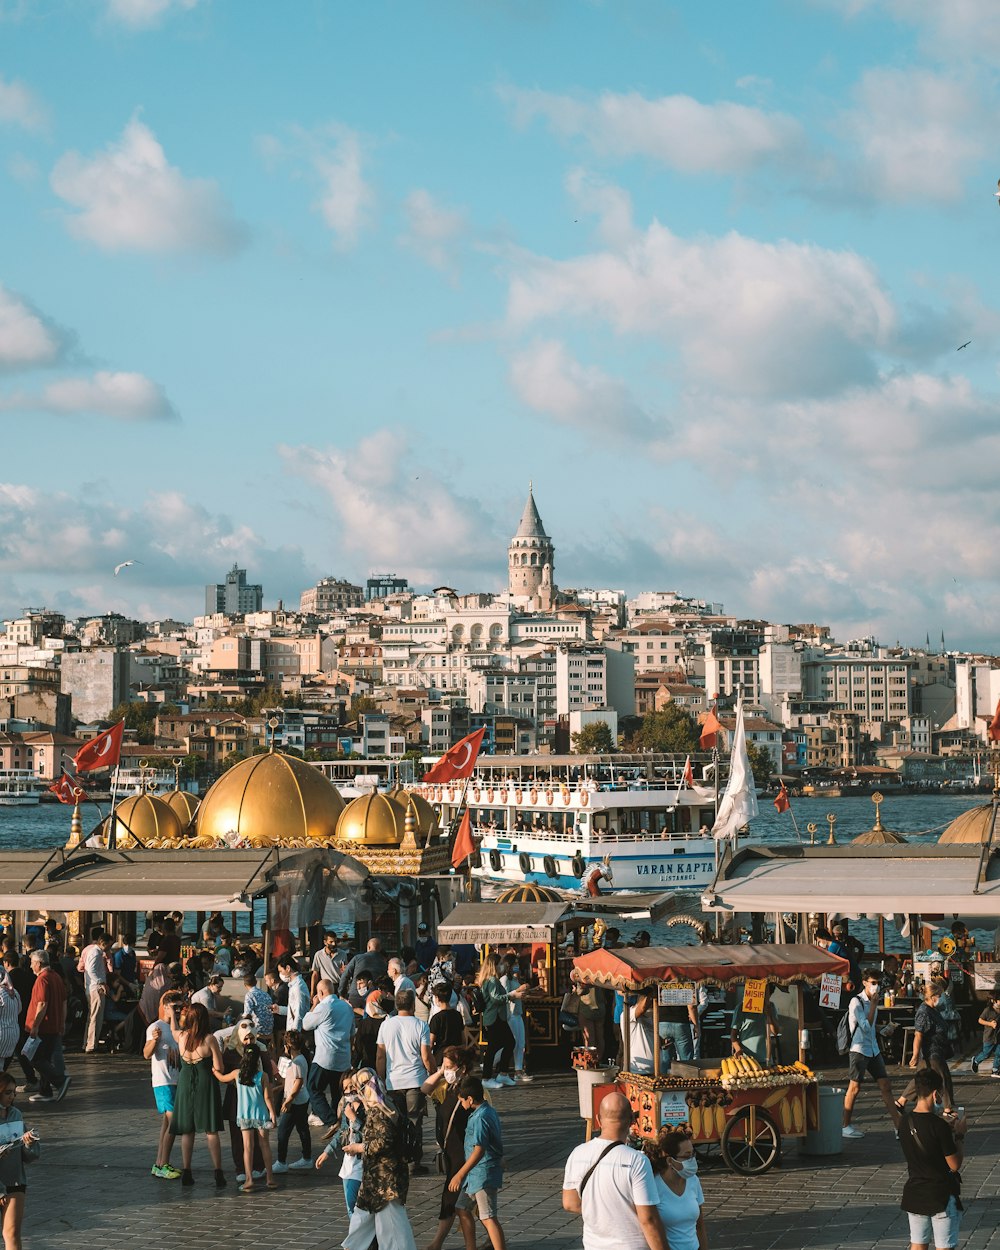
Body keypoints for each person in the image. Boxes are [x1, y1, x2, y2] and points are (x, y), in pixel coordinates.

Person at [563, 1090, 668, 1250]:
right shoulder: (637, 1161)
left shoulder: (578, 1153)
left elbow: (570, 1203)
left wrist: (602, 1214)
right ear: (632, 1120)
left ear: (598, 1120)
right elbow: (648, 1219)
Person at [341, 1067, 418, 1250]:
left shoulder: (379, 1111)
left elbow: (383, 1142)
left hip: (385, 1182)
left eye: (358, 1087)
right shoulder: (386, 1104)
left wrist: (359, 1147)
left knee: (393, 1231)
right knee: (362, 1221)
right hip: (375, 1181)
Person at [421, 1045, 482, 1250]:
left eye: (449, 1066)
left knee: (457, 1202)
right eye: (444, 1066)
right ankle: (439, 1243)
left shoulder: (472, 1090)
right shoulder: (446, 1088)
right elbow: (424, 1089)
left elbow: (484, 1117)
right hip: (451, 1154)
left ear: (462, 1068)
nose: (446, 1070)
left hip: (465, 1155)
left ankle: (438, 1243)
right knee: (466, 1203)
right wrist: (440, 1072)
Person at [898, 1067, 966, 1250]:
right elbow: (954, 1165)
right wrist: (959, 1136)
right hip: (940, 1195)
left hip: (916, 1193)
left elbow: (925, 1141)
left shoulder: (904, 1122)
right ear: (935, 1093)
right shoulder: (939, 1126)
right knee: (945, 1246)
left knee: (918, 1245)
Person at [215, 1025, 278, 1192]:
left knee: (247, 1147)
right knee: (264, 1145)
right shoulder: (262, 1076)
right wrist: (272, 1114)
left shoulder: (237, 1074)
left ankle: (249, 1179)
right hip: (261, 1115)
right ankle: (270, 1178)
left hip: (244, 1116)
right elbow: (268, 1097)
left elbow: (222, 1077)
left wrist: (214, 1071)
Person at [447, 1075, 506, 1250]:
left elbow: (479, 1150)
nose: (461, 1103)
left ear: (470, 1099)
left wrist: (459, 1174)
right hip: (475, 1175)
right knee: (462, 1208)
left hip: (483, 1172)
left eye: (461, 1100)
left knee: (488, 1216)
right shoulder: (488, 1111)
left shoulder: (480, 1117)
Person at [376, 988, 432, 1174]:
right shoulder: (421, 1025)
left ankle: (397, 1158)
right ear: (413, 1004)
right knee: (415, 1121)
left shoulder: (386, 1025)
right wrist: (433, 1073)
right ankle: (413, 1162)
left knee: (395, 1121)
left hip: (393, 1080)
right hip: (415, 1079)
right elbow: (425, 1056)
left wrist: (381, 1079)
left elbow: (381, 1056)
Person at [173, 1002, 226, 1188]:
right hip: (205, 1083)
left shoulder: (182, 1037)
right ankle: (218, 1173)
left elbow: (174, 1029)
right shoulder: (209, 1039)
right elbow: (219, 1067)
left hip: (185, 1082)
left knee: (188, 1130)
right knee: (211, 1130)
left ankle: (186, 1171)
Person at [841, 968, 900, 1140]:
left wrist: (883, 1029)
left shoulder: (872, 1000)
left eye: (879, 983)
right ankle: (845, 1125)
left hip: (873, 1049)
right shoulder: (856, 1002)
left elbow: (871, 1027)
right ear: (865, 983)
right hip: (859, 1049)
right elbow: (865, 1027)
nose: (876, 987)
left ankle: (898, 1127)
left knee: (885, 1086)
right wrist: (874, 1005)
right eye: (873, 983)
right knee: (855, 1087)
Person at [301, 978, 355, 1130]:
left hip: (325, 1057)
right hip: (343, 1056)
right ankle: (342, 1120)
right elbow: (352, 1033)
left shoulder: (324, 1007)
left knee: (313, 1088)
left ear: (321, 993)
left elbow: (306, 1024)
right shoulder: (346, 1007)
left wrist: (314, 1005)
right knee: (337, 1093)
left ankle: (331, 1120)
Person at [898, 979, 956, 1115]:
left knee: (921, 1079)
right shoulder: (924, 1011)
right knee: (943, 1078)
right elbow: (918, 1034)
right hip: (931, 1051)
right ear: (933, 997)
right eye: (939, 996)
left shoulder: (932, 1010)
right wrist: (915, 1054)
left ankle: (901, 1102)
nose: (941, 998)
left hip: (937, 1050)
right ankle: (948, 1108)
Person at [644, 1127, 707, 1250]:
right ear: (670, 1160)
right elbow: (649, 1226)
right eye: (686, 1156)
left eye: (693, 1154)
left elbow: (700, 1226)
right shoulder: (653, 1186)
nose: (692, 1160)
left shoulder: (693, 1181)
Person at [144, 989, 183, 1179]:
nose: (178, 1011)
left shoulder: (177, 1028)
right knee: (173, 1121)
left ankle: (159, 1163)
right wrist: (155, 1040)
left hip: (176, 1079)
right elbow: (146, 1053)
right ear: (166, 1007)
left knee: (167, 1123)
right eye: (175, 1007)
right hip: (163, 1081)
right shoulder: (155, 1027)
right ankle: (163, 1164)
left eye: (180, 1007)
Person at [316, 1070, 365, 1217]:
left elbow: (371, 1135)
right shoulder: (347, 1107)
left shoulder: (369, 1108)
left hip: (362, 1164)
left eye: (352, 1087)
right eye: (345, 1089)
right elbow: (343, 1132)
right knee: (352, 1208)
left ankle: (359, 1238)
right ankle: (362, 1238)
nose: (349, 1092)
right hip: (349, 1164)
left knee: (355, 1209)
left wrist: (354, 1119)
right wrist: (327, 1151)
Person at [0, 1072, 40, 1250]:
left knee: (12, 1234)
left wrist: (29, 1144)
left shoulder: (16, 1114)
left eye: (14, 1092)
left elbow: (28, 1157)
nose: (13, 1096)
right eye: (8, 1092)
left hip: (15, 1180)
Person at [477, 955, 527, 1089]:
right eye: (499, 963)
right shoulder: (492, 980)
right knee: (495, 1047)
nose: (501, 966)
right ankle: (487, 1077)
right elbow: (495, 998)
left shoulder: (491, 980)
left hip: (498, 1017)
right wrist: (512, 995)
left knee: (508, 1042)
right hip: (495, 1017)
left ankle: (502, 1073)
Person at [273, 1029, 312, 1172]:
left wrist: (288, 1100)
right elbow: (291, 1082)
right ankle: (307, 1158)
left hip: (296, 1103)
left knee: (283, 1131)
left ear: (288, 1046)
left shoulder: (296, 1062)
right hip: (301, 1100)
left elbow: (298, 1083)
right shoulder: (299, 1060)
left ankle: (281, 1161)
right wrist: (278, 1088)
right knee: (302, 1129)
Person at [730, 983, 780, 1067]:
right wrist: (738, 1049)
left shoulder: (770, 1007)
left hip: (766, 1058)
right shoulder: (741, 1008)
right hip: (747, 1059)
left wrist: (770, 1016)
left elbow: (775, 1032)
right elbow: (733, 1034)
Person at [79, 928, 111, 1053]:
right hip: (95, 988)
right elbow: (90, 969)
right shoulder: (96, 952)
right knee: (95, 1017)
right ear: (103, 942)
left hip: (91, 987)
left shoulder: (94, 951)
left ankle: (88, 1043)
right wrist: (101, 982)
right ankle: (91, 1045)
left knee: (92, 1017)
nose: (110, 947)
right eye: (109, 944)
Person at [338, 938, 389, 1004]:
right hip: (373, 998)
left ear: (368, 947)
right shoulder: (384, 963)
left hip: (354, 996)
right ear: (379, 949)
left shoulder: (357, 958)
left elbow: (345, 975)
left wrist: (341, 994)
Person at [429, 983, 467, 1066]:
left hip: (441, 1057)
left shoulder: (436, 1018)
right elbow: (463, 1039)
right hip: (456, 1056)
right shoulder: (458, 1015)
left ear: (437, 998)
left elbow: (431, 1043)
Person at [273, 956, 309, 1033]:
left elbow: (299, 1011)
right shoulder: (293, 985)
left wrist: (294, 1031)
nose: (281, 974)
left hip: (295, 1032)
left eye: (281, 971)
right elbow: (293, 1009)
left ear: (288, 968)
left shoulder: (298, 987)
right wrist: (279, 1009)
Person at [354, 991, 388, 1071]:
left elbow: (358, 1047)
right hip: (386, 1066)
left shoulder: (364, 1023)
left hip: (368, 1066)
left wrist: (354, 1065)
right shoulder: (389, 1021)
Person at [970, 993, 1000, 1076]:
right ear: (993, 1001)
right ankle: (976, 1060)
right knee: (986, 1054)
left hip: (998, 1037)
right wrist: (990, 1024)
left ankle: (995, 1070)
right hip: (989, 1037)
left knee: (999, 1053)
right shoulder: (988, 1010)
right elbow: (980, 1020)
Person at [242, 974, 275, 1046]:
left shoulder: (250, 995)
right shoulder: (266, 994)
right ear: (256, 982)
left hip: (259, 1030)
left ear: (245, 985)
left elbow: (247, 1015)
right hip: (269, 1028)